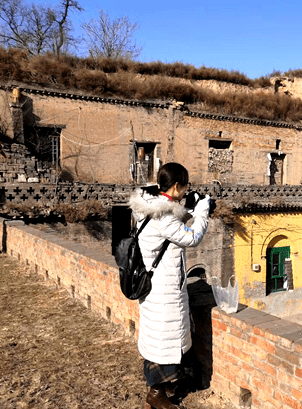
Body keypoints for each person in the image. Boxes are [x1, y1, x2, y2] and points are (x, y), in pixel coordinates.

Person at [128, 162, 211, 409]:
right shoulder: (162, 216)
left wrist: (192, 209)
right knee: (165, 339)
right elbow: (192, 237)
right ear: (176, 186)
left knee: (159, 338)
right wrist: (203, 209)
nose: (186, 192)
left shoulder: (150, 206)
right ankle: (156, 393)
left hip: (154, 285)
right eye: (184, 188)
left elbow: (175, 217)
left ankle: (164, 386)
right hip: (164, 289)